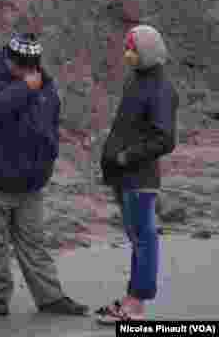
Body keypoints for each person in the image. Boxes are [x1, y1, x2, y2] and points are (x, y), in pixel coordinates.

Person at [0, 34, 88, 317]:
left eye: (33, 67)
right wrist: (24, 88)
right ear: (10, 60)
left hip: (31, 182)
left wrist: (49, 157)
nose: (29, 72)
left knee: (34, 243)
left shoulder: (43, 81)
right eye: (23, 68)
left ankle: (51, 298)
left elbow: (51, 120)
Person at [96, 25, 179, 324]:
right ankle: (132, 300)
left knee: (144, 239)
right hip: (124, 176)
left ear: (147, 53)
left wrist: (126, 156)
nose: (127, 54)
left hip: (140, 178)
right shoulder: (138, 80)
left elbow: (165, 139)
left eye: (133, 49)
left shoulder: (160, 89)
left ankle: (135, 307)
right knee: (138, 238)